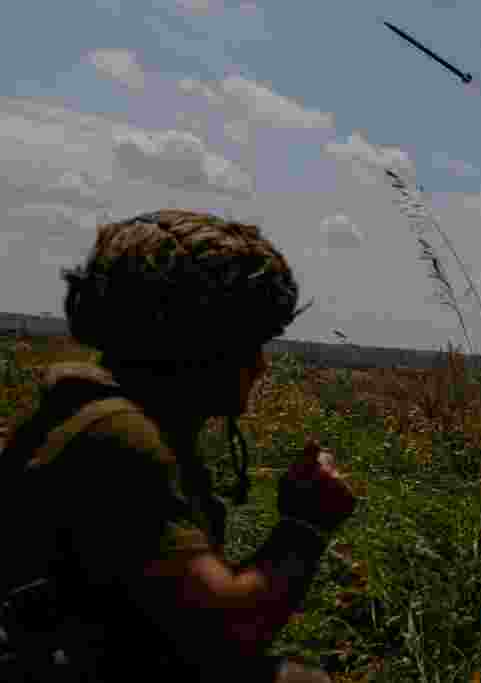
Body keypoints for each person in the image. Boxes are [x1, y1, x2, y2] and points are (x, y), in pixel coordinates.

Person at [0, 210, 356, 682]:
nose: (260, 366)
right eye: (250, 343)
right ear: (196, 341)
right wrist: (303, 526)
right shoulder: (116, 436)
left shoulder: (104, 416)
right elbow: (223, 633)